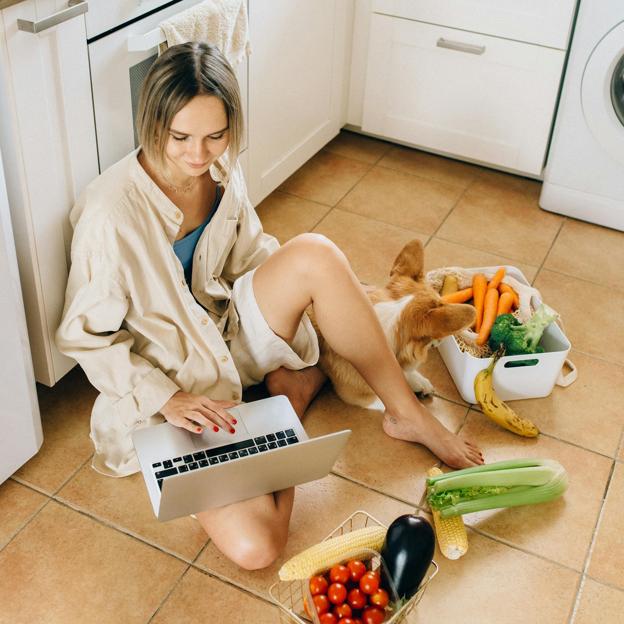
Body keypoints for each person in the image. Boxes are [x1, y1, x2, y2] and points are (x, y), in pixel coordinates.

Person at [56, 42, 483, 571]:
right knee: (256, 548)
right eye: (181, 137)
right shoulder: (109, 215)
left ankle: (408, 415)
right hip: (171, 388)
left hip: (227, 333)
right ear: (152, 124)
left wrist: (311, 303)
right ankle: (294, 397)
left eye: (215, 135)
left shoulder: (218, 171)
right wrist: (166, 397)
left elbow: (256, 257)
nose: (199, 154)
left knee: (316, 255)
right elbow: (83, 338)